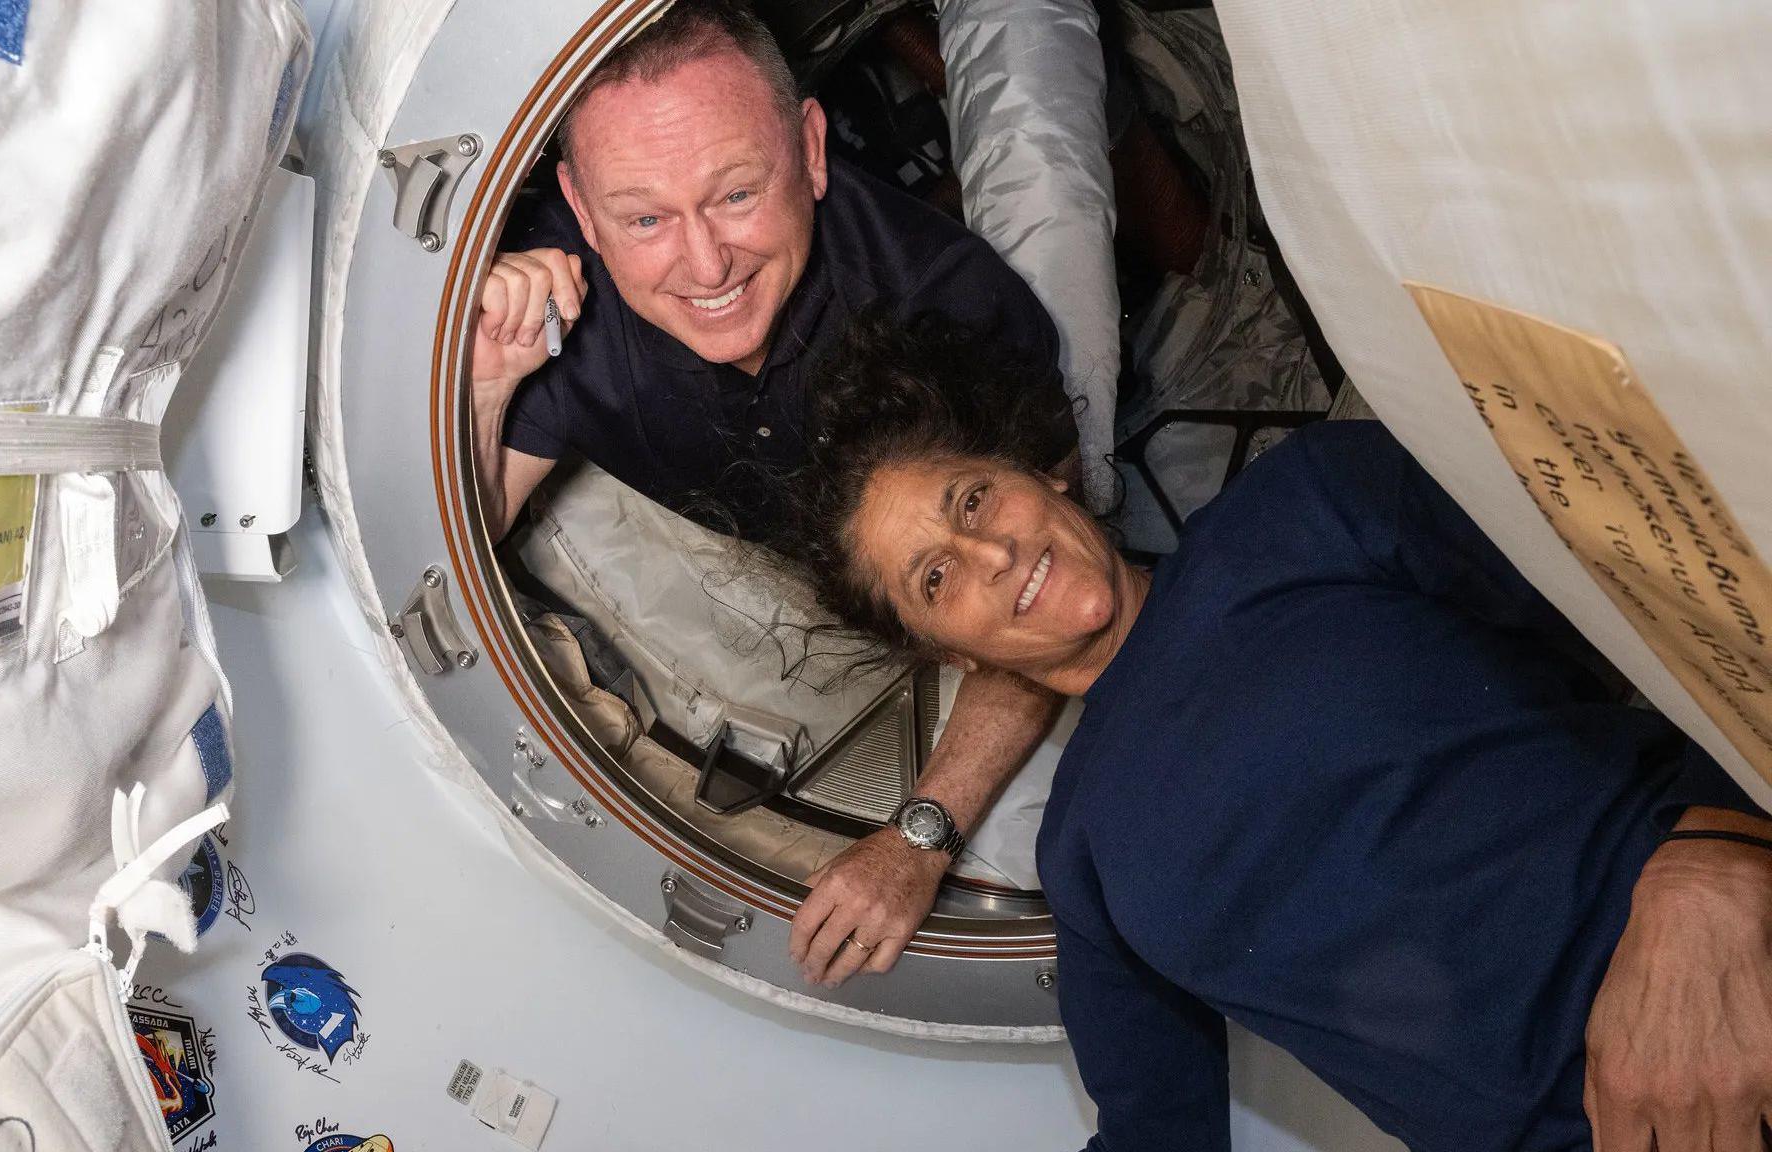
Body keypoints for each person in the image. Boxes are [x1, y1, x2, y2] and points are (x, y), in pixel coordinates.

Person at [772, 315, 1772, 1150]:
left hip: (1723, 940)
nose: (989, 552)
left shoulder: (1304, 507)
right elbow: (1153, 1134)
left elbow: (1676, 602)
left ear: (1047, 473)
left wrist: (1715, 857)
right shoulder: (1081, 857)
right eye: (934, 578)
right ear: (946, 652)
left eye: (973, 499)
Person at [468, 0, 1079, 979]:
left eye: (737, 194)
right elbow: (466, 531)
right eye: (644, 218)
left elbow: (1054, 597)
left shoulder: (947, 311)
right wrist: (492, 374)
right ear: (581, 210)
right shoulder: (557, 296)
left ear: (809, 149)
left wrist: (919, 835)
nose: (704, 264)